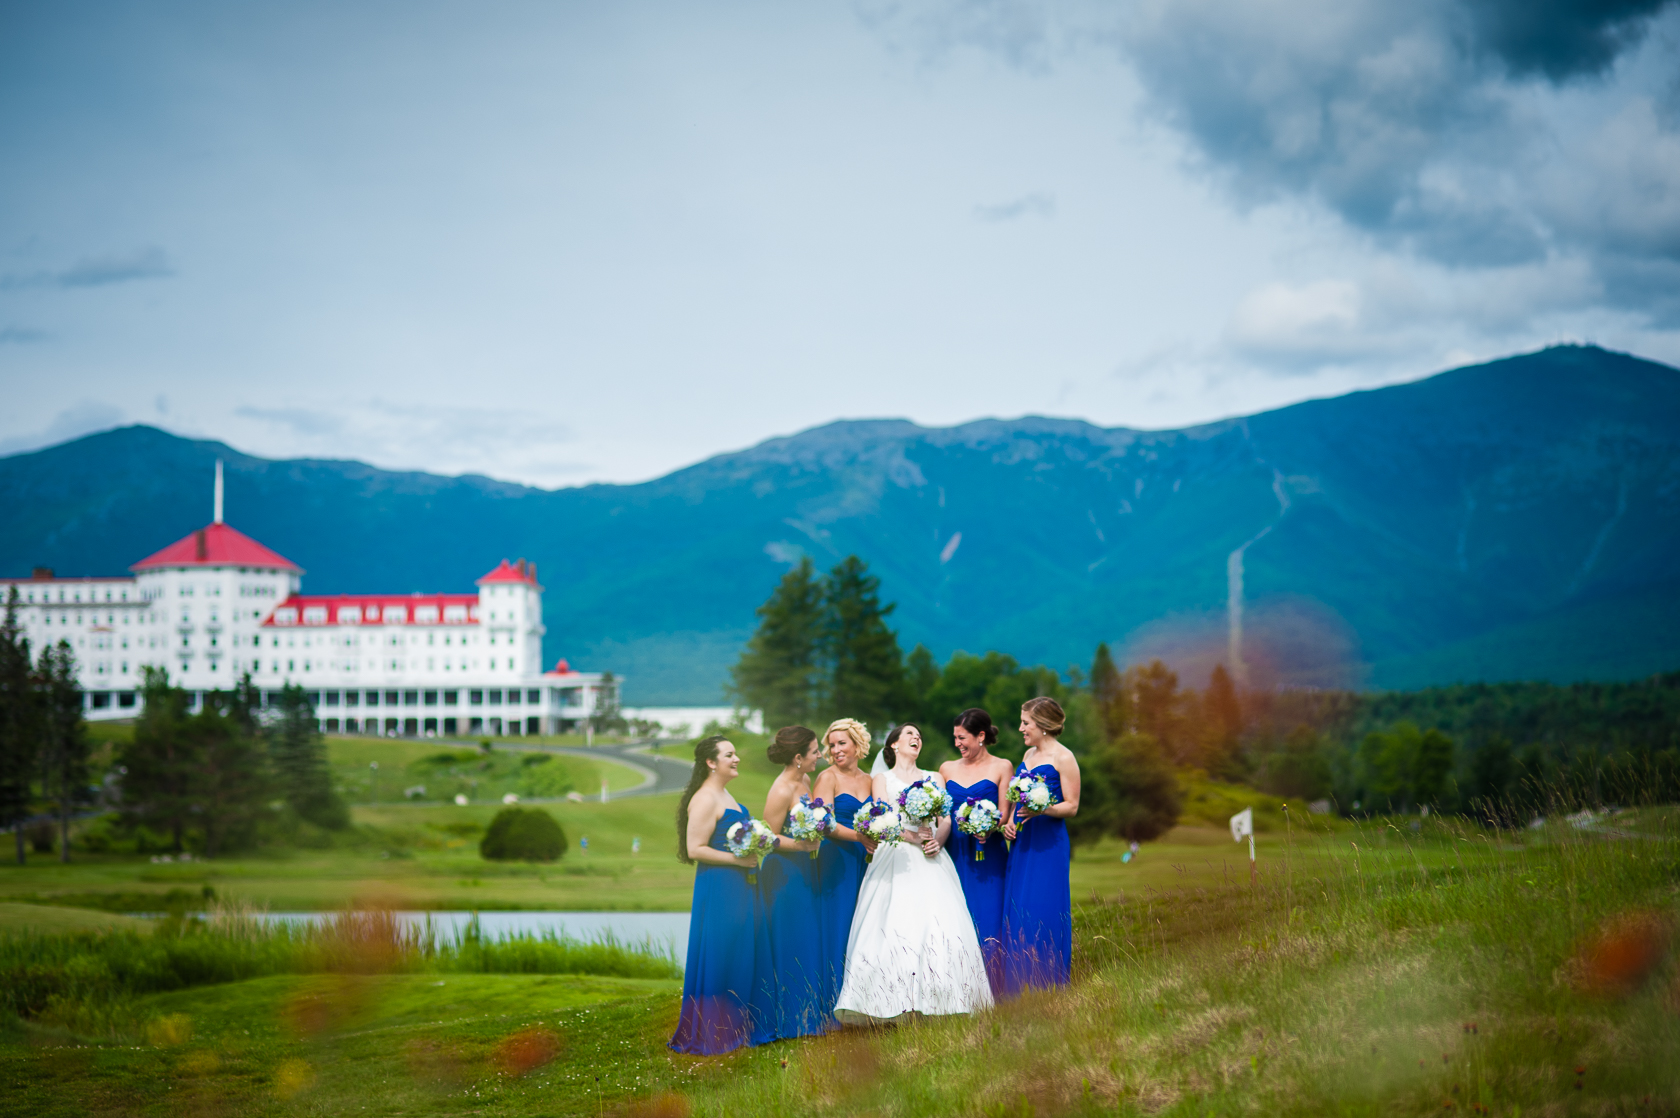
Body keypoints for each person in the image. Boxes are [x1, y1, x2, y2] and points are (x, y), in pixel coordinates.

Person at [834, 723, 993, 1023]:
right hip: (896, 855)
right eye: (909, 734)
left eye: (919, 735)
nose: (916, 738)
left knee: (938, 923)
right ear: (893, 745)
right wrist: (913, 838)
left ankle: (944, 998)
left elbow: (946, 817)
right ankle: (889, 1000)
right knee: (895, 922)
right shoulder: (882, 779)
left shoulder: (934, 777)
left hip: (932, 857)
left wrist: (937, 840)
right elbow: (884, 816)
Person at [668, 735, 777, 1054]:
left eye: (735, 753)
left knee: (742, 949)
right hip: (719, 885)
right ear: (711, 762)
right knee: (721, 951)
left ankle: (744, 1024)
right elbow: (695, 848)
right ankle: (716, 1030)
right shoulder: (703, 799)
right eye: (729, 754)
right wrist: (738, 859)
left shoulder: (725, 793)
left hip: (742, 883)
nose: (737, 758)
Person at [1000, 697, 1081, 995]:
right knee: (1020, 905)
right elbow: (1018, 796)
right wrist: (1010, 820)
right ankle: (1018, 983)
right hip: (1023, 841)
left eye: (1025, 723)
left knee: (1044, 904)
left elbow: (1071, 806)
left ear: (1043, 726)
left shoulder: (1064, 758)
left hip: (1049, 843)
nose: (1021, 728)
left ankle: (1048, 982)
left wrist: (1041, 809)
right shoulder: (1027, 754)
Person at [758, 725, 828, 1038]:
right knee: (789, 939)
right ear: (798, 757)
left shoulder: (805, 780)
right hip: (783, 874)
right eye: (815, 751)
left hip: (806, 869)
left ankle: (809, 1014)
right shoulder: (781, 789)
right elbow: (765, 838)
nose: (820, 756)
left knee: (807, 937)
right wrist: (801, 845)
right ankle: (787, 1020)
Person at [939, 707, 1013, 992]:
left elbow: (1005, 814)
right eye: (955, 739)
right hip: (955, 851)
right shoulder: (946, 768)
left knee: (989, 912)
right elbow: (941, 813)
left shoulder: (1002, 766)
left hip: (989, 851)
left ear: (980, 736)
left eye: (962, 738)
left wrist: (988, 827)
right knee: (956, 914)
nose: (958, 744)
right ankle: (958, 987)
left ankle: (994, 985)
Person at [812, 717, 874, 1014]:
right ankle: (830, 1004)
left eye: (841, 743)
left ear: (857, 744)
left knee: (862, 927)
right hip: (837, 859)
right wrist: (860, 837)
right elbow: (823, 824)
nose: (835, 750)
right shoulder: (827, 778)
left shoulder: (871, 780)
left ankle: (860, 1001)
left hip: (866, 861)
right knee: (839, 924)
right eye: (831, 745)